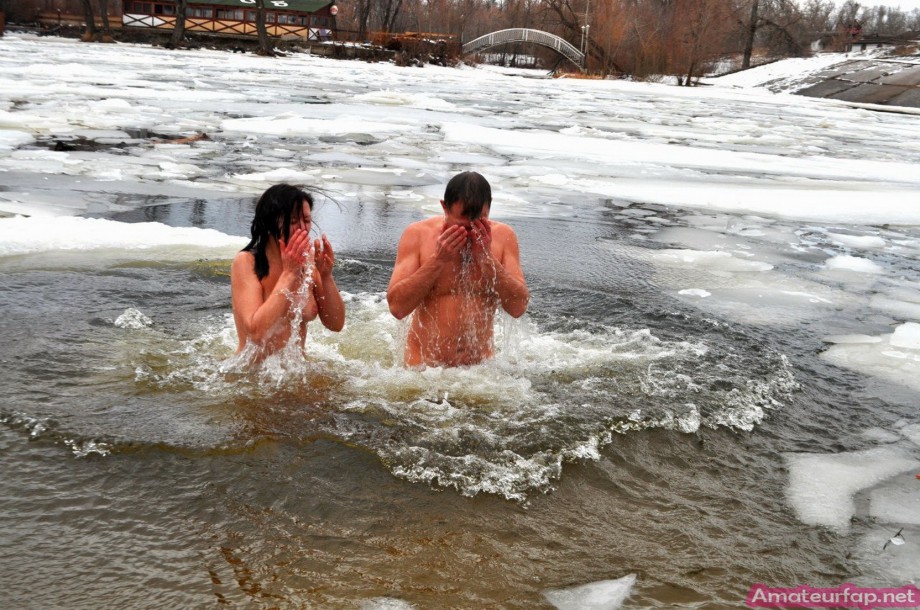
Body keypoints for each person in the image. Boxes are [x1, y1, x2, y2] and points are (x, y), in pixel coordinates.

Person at [387, 171, 529, 367]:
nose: (471, 234)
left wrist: (486, 259)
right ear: (444, 207)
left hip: (479, 373)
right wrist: (438, 260)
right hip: (422, 371)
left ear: (489, 207)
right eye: (462, 227)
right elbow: (397, 307)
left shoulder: (504, 237)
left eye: (479, 224)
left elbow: (518, 307)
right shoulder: (418, 234)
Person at [231, 184, 345, 355]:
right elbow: (256, 334)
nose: (302, 228)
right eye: (292, 221)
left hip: (295, 371)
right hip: (253, 376)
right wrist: (289, 273)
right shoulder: (247, 262)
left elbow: (336, 324)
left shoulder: (308, 263)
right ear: (269, 224)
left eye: (306, 221)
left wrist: (326, 276)